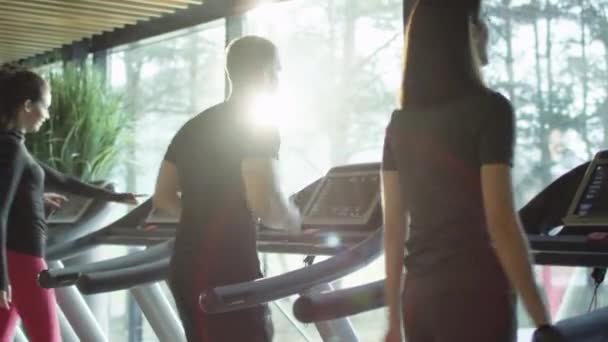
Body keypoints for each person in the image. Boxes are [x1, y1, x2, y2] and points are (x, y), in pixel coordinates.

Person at [382, 1, 552, 341]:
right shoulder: (491, 110)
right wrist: (544, 323)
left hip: (420, 299)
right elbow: (501, 223)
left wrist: (393, 323)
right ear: (468, 32)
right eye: (483, 20)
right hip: (477, 296)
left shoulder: (399, 124)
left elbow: (394, 229)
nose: (488, 30)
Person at [153, 35, 301, 341]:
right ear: (263, 73)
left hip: (185, 263)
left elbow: (164, 197)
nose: (278, 78)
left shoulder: (192, 127)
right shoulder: (258, 124)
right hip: (228, 267)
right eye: (277, 70)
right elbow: (265, 203)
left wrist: (200, 215)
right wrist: (294, 221)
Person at [0, 64, 137, 342]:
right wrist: (0, 278)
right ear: (27, 106)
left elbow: (58, 178)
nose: (47, 116)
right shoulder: (11, 148)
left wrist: (111, 196)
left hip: (15, 257)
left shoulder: (13, 145)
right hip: (24, 260)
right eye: (45, 107)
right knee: (48, 337)